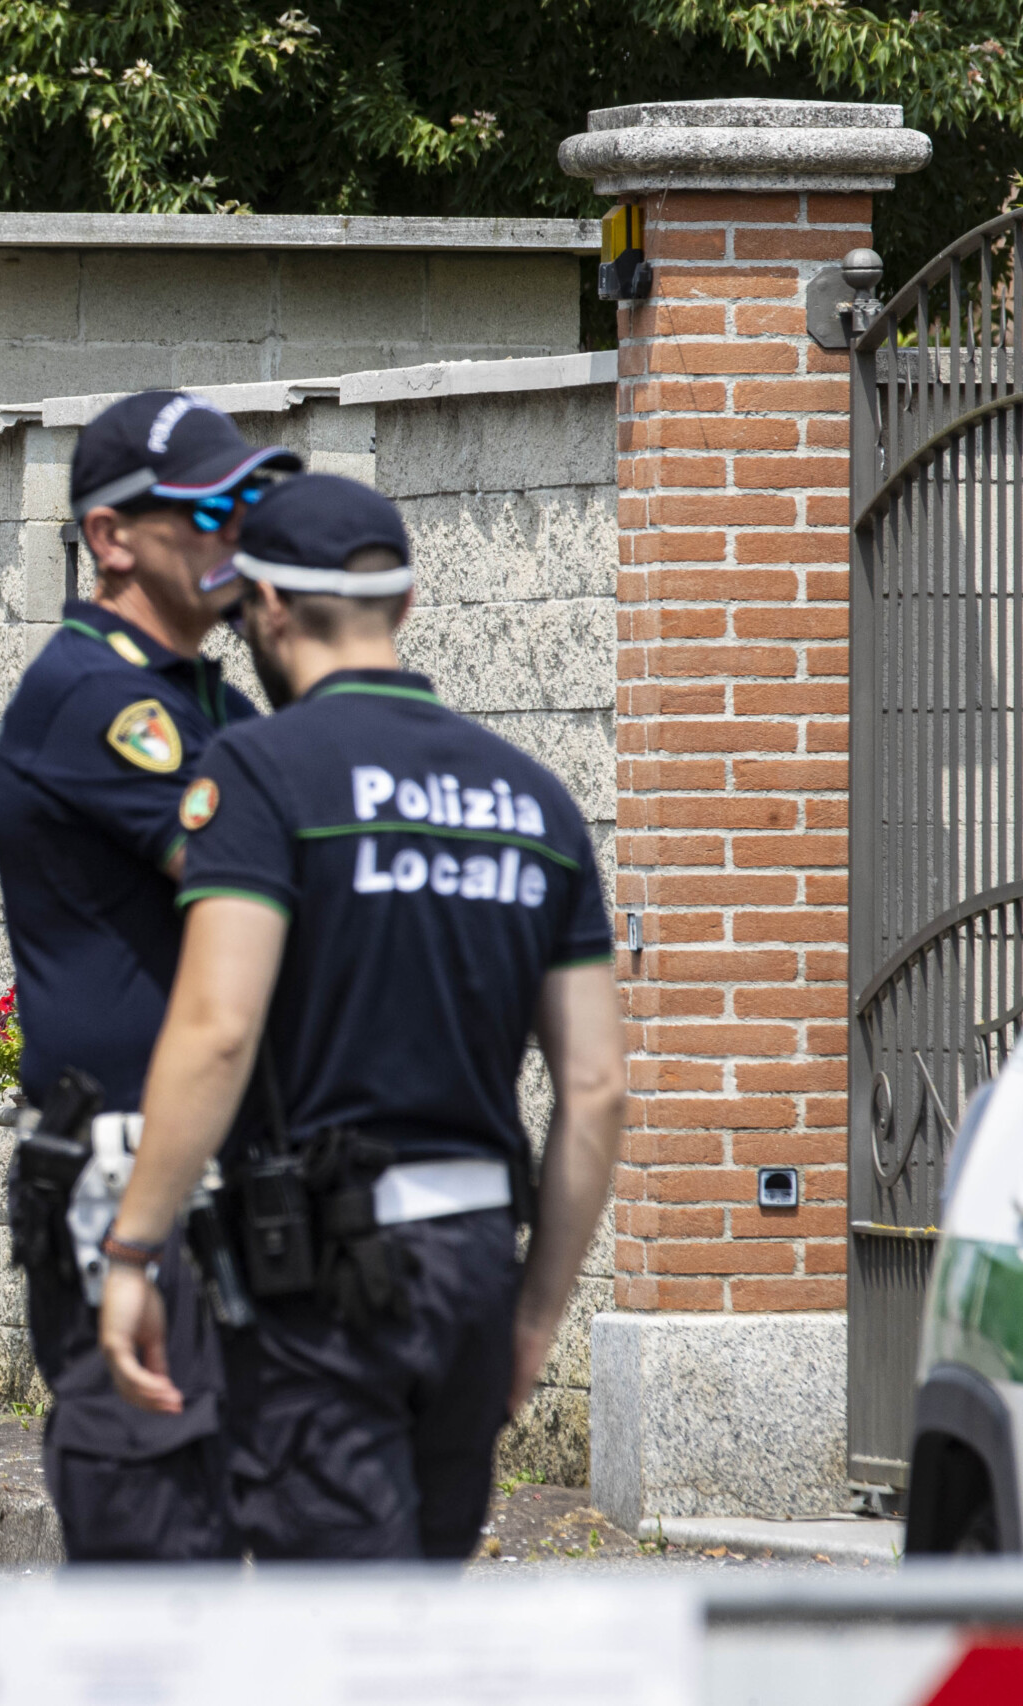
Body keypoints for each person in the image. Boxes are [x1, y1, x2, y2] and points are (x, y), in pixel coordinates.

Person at [96, 473, 625, 1561]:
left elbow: (217, 1026)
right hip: (476, 1264)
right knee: (415, 1628)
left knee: (333, 1642)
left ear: (269, 611)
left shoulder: (259, 770)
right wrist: (532, 1314)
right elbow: (596, 1089)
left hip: (323, 1284)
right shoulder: (533, 801)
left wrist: (131, 1249)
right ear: (404, 605)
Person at [0, 391, 298, 1561]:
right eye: (211, 508)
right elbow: (263, 881)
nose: (240, 532)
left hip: (226, 1173)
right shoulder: (95, 697)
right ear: (111, 537)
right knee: (157, 1557)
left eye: (251, 504)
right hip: (128, 1171)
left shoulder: (209, 693)